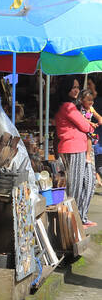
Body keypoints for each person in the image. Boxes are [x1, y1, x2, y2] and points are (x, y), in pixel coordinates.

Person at [53, 80, 95, 226]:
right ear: (66, 89)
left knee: (87, 183)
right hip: (73, 148)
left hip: (79, 148)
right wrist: (90, 127)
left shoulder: (71, 106)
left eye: (77, 87)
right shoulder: (68, 106)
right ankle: (73, 219)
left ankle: (80, 216)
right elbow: (84, 125)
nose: (76, 90)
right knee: (75, 186)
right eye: (73, 87)